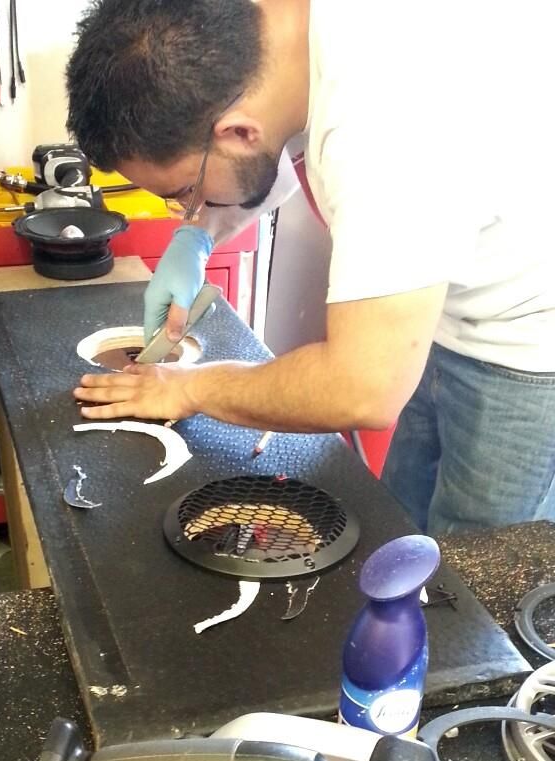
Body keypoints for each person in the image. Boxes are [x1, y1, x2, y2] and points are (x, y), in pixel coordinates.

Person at [67, 0, 555, 535]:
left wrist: (188, 388)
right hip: (437, 314)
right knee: (400, 532)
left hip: (525, 345)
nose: (187, 207)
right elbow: (278, 140)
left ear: (236, 132)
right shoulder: (280, 34)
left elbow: (362, 386)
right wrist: (196, 238)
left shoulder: (390, 121)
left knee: (477, 576)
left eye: (184, 193)